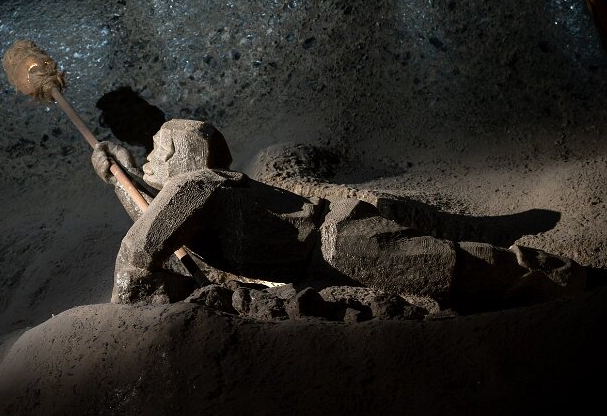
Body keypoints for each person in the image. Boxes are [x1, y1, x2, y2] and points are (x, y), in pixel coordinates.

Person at [92, 119, 587, 311]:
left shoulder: (198, 185)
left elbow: (140, 247)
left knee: (446, 266)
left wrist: (129, 300)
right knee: (441, 266)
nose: (149, 161)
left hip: (338, 239)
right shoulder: (195, 193)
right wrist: (119, 176)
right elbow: (155, 218)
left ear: (177, 156)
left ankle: (551, 277)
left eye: (155, 151)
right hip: (324, 252)